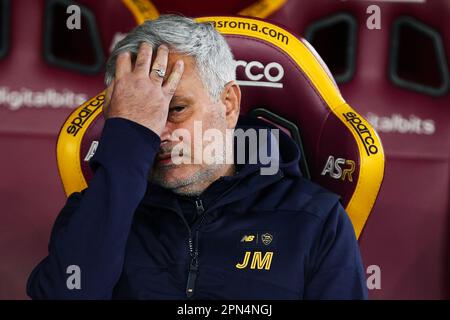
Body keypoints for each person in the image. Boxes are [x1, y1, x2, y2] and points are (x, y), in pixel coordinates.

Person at [27, 15, 367, 299]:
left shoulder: (316, 221)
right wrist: (125, 152)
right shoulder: (93, 210)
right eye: (138, 119)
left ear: (229, 103)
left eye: (175, 109)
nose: (157, 135)